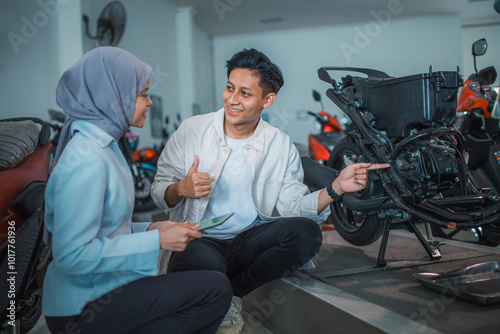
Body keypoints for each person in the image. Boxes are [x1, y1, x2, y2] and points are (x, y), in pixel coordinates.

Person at [151, 48, 390, 334]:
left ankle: (231, 294)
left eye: (245, 93)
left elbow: (291, 205)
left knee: (306, 234)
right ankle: (221, 296)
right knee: (199, 258)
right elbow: (158, 190)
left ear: (268, 99)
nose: (232, 100)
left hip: (248, 241)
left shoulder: (279, 144)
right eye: (229, 88)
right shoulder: (192, 130)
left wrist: (336, 187)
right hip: (199, 238)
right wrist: (181, 188)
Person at [43, 47, 232, 334]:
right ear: (114, 97)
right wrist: (156, 241)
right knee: (215, 290)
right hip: (80, 307)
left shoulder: (104, 147)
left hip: (100, 289)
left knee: (209, 284)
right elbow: (71, 256)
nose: (149, 102)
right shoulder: (86, 158)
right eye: (142, 94)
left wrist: (151, 229)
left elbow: (106, 227)